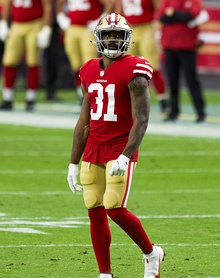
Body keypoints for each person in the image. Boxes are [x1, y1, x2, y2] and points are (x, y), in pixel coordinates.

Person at [67, 13, 165, 278]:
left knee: (113, 207)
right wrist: (73, 161)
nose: (112, 39)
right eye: (108, 35)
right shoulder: (88, 69)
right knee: (93, 208)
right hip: (94, 148)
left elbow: (142, 119)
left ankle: (151, 253)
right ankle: (105, 273)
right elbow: (83, 121)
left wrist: (125, 155)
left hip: (120, 146)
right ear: (98, 39)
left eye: (118, 35)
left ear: (127, 39)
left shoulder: (136, 70)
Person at [155, 0, 207, 123]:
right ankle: (173, 111)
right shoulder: (168, 1)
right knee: (172, 80)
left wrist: (173, 14)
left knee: (191, 79)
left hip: (187, 46)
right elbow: (161, 17)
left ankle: (200, 111)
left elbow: (193, 15)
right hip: (169, 45)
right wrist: (181, 16)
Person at [114, 0, 169, 114]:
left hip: (146, 27)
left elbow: (159, 10)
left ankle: (162, 98)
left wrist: (158, 27)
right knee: (127, 67)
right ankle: (126, 100)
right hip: (129, 29)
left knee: (152, 66)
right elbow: (119, 13)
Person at [56, 0, 114, 102]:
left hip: (88, 29)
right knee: (75, 64)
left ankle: (94, 95)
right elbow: (59, 3)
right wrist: (61, 17)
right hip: (72, 29)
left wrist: (100, 20)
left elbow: (109, 4)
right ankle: (82, 95)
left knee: (90, 64)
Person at [0, 0, 53, 111]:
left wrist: (47, 28)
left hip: (35, 23)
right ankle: (7, 98)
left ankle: (30, 98)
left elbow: (47, 6)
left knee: (33, 61)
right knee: (9, 61)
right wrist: (4, 23)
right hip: (16, 24)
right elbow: (8, 3)